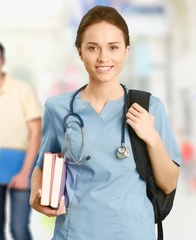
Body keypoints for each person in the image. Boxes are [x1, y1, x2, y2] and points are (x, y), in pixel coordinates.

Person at [29, 5, 181, 240]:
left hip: (131, 233)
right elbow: (43, 164)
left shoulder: (149, 107)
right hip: (75, 232)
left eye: (113, 47)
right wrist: (35, 197)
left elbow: (169, 183)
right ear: (80, 52)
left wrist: (151, 137)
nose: (103, 57)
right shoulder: (57, 109)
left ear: (126, 51)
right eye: (92, 48)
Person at [0, 38, 42, 240]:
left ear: (3, 61)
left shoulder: (22, 90)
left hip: (22, 168)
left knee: (19, 230)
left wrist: (24, 173)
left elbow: (36, 132)